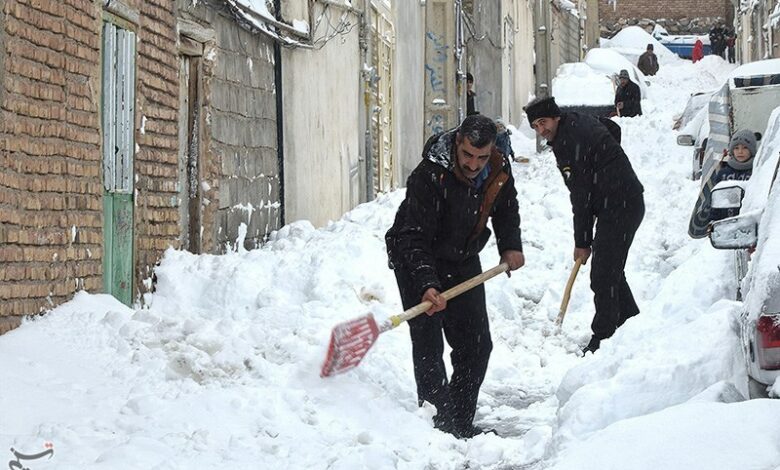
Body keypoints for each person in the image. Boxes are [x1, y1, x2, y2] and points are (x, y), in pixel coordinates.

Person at [385, 114, 524, 438]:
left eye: (481, 156)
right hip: (416, 256)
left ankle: (460, 422)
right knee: (429, 344)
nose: (474, 164)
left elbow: (506, 207)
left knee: (476, 345)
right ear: (457, 142)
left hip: (461, 255)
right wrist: (426, 284)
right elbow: (414, 236)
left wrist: (511, 244)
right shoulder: (430, 174)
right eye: (467, 155)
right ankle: (438, 428)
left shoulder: (498, 168)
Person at [523, 96, 644, 355]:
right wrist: (605, 169)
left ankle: (604, 337)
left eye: (543, 123)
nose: (540, 130)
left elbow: (580, 196)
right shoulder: (576, 123)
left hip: (621, 205)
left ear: (555, 116)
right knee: (609, 270)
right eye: (535, 126)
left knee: (602, 275)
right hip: (620, 201)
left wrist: (582, 242)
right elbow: (612, 129)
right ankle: (630, 323)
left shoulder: (568, 141)